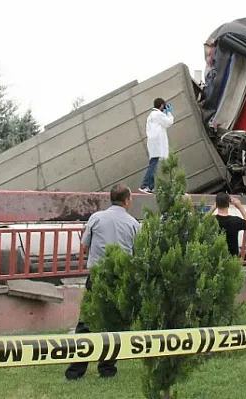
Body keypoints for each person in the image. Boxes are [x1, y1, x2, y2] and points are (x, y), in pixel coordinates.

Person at [65, 184, 141, 380]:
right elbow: (137, 253)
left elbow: (84, 246)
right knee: (114, 323)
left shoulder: (96, 218)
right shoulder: (134, 224)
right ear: (126, 200)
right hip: (120, 278)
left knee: (86, 320)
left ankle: (76, 369)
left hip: (98, 275)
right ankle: (107, 368)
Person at [139, 98, 174, 194]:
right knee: (153, 164)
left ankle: (150, 186)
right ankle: (145, 185)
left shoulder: (152, 115)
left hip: (153, 142)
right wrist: (169, 113)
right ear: (162, 105)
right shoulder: (157, 114)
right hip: (156, 143)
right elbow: (169, 122)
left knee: (154, 164)